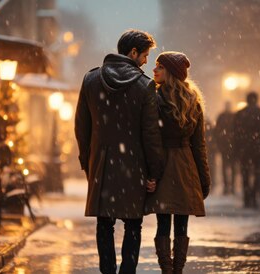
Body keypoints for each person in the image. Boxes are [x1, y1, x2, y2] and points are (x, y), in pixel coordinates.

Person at [74, 29, 164, 274]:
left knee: (104, 224)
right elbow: (151, 134)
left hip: (101, 166)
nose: (146, 61)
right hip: (134, 166)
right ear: (133, 52)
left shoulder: (90, 80)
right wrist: (154, 170)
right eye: (144, 55)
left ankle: (107, 271)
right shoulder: (145, 87)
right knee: (133, 224)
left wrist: (87, 161)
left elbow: (82, 127)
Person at [145, 51, 210, 274]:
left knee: (164, 222)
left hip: (162, 164)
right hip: (184, 165)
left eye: (160, 67)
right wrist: (203, 178)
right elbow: (199, 145)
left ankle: (167, 270)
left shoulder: (152, 99)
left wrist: (149, 171)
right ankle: (177, 270)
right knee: (181, 223)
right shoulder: (193, 101)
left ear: (171, 73)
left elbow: (149, 138)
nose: (154, 70)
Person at [233, 92, 260, 208]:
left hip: (244, 150)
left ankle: (247, 198)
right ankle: (255, 196)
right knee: (258, 173)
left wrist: (236, 151)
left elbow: (235, 135)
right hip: (259, 150)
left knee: (245, 174)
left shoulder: (240, 114)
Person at [214, 101, 236, 195]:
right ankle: (231, 186)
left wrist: (219, 143)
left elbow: (216, 131)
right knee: (232, 166)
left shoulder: (221, 116)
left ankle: (227, 186)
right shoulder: (233, 116)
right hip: (231, 146)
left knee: (226, 167)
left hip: (225, 146)